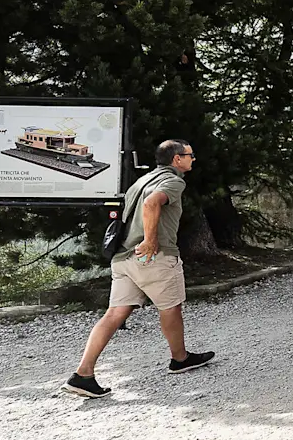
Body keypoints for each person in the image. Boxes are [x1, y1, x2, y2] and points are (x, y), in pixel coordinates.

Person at [66, 139, 215, 398]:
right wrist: (150, 240)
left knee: (114, 314)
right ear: (176, 159)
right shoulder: (174, 181)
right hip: (152, 258)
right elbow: (151, 204)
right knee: (170, 306)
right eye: (190, 155)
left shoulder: (141, 181)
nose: (193, 159)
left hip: (124, 258)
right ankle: (179, 359)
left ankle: (83, 374)